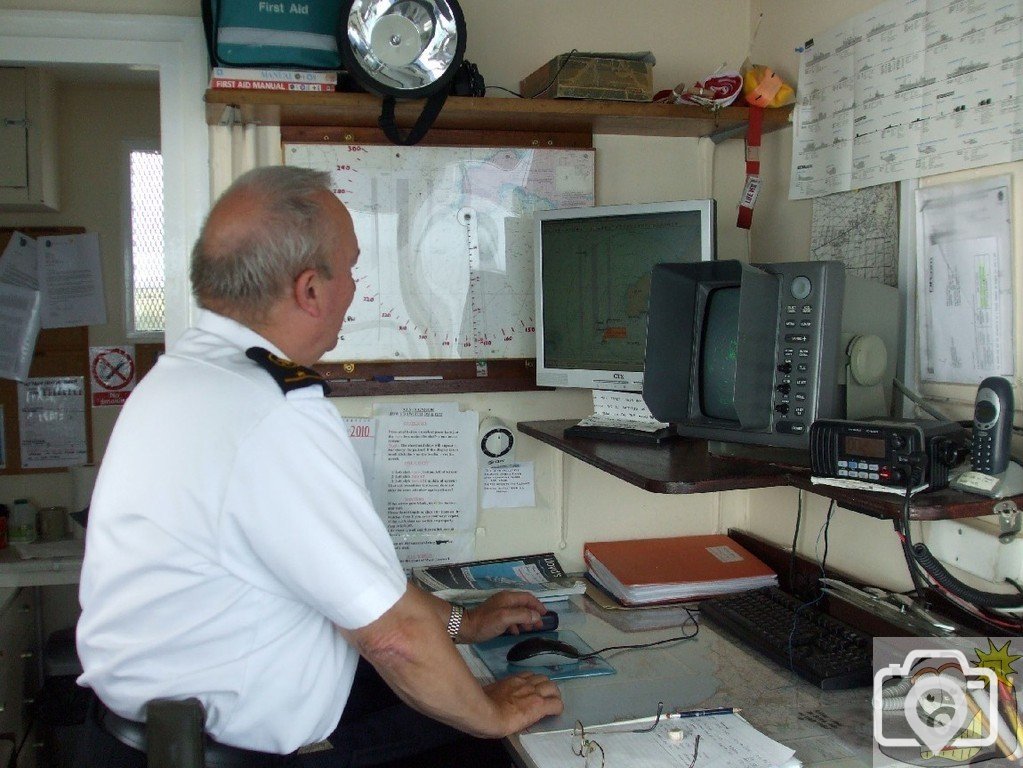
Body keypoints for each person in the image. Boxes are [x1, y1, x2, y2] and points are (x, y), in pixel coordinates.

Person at [75, 166, 563, 767]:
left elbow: (356, 587)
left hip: (149, 738)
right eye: (352, 269)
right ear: (310, 290)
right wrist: (493, 715)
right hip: (214, 754)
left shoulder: (186, 379)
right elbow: (393, 636)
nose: (355, 287)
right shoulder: (270, 413)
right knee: (506, 748)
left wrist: (465, 621)